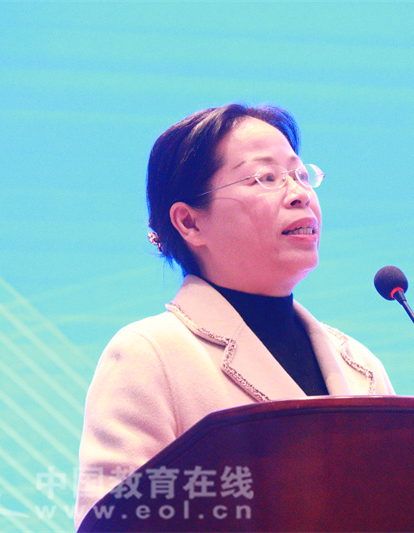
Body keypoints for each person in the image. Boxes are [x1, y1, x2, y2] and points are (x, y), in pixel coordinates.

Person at [74, 103, 395, 528]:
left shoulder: (360, 366)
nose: (299, 194)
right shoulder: (150, 355)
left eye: (301, 175)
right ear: (189, 222)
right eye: (266, 178)